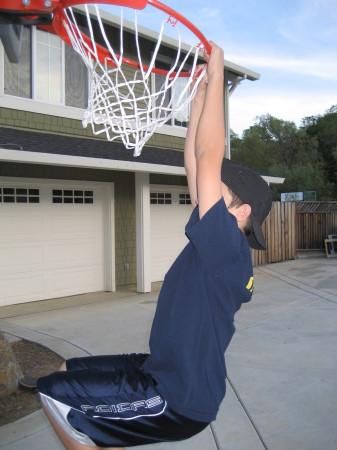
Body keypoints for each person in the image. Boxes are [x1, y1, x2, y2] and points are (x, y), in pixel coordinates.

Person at [37, 42, 272, 450]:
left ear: (241, 210)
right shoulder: (219, 240)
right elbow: (196, 162)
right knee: (64, 370)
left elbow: (207, 154)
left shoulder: (226, 246)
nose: (204, 184)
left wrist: (216, 78)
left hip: (176, 399)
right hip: (160, 370)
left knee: (53, 392)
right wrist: (198, 97)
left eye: (219, 184)